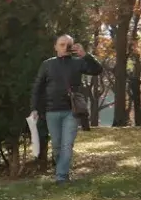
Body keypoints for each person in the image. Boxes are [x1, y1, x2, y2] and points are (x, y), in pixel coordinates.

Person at [30, 35, 103, 183]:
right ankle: (62, 171)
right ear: (55, 47)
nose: (65, 47)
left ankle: (61, 177)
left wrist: (85, 55)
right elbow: (37, 88)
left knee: (67, 144)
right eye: (62, 44)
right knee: (57, 145)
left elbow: (97, 70)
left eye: (68, 44)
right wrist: (34, 108)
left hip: (72, 111)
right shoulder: (47, 64)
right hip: (51, 111)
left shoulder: (78, 62)